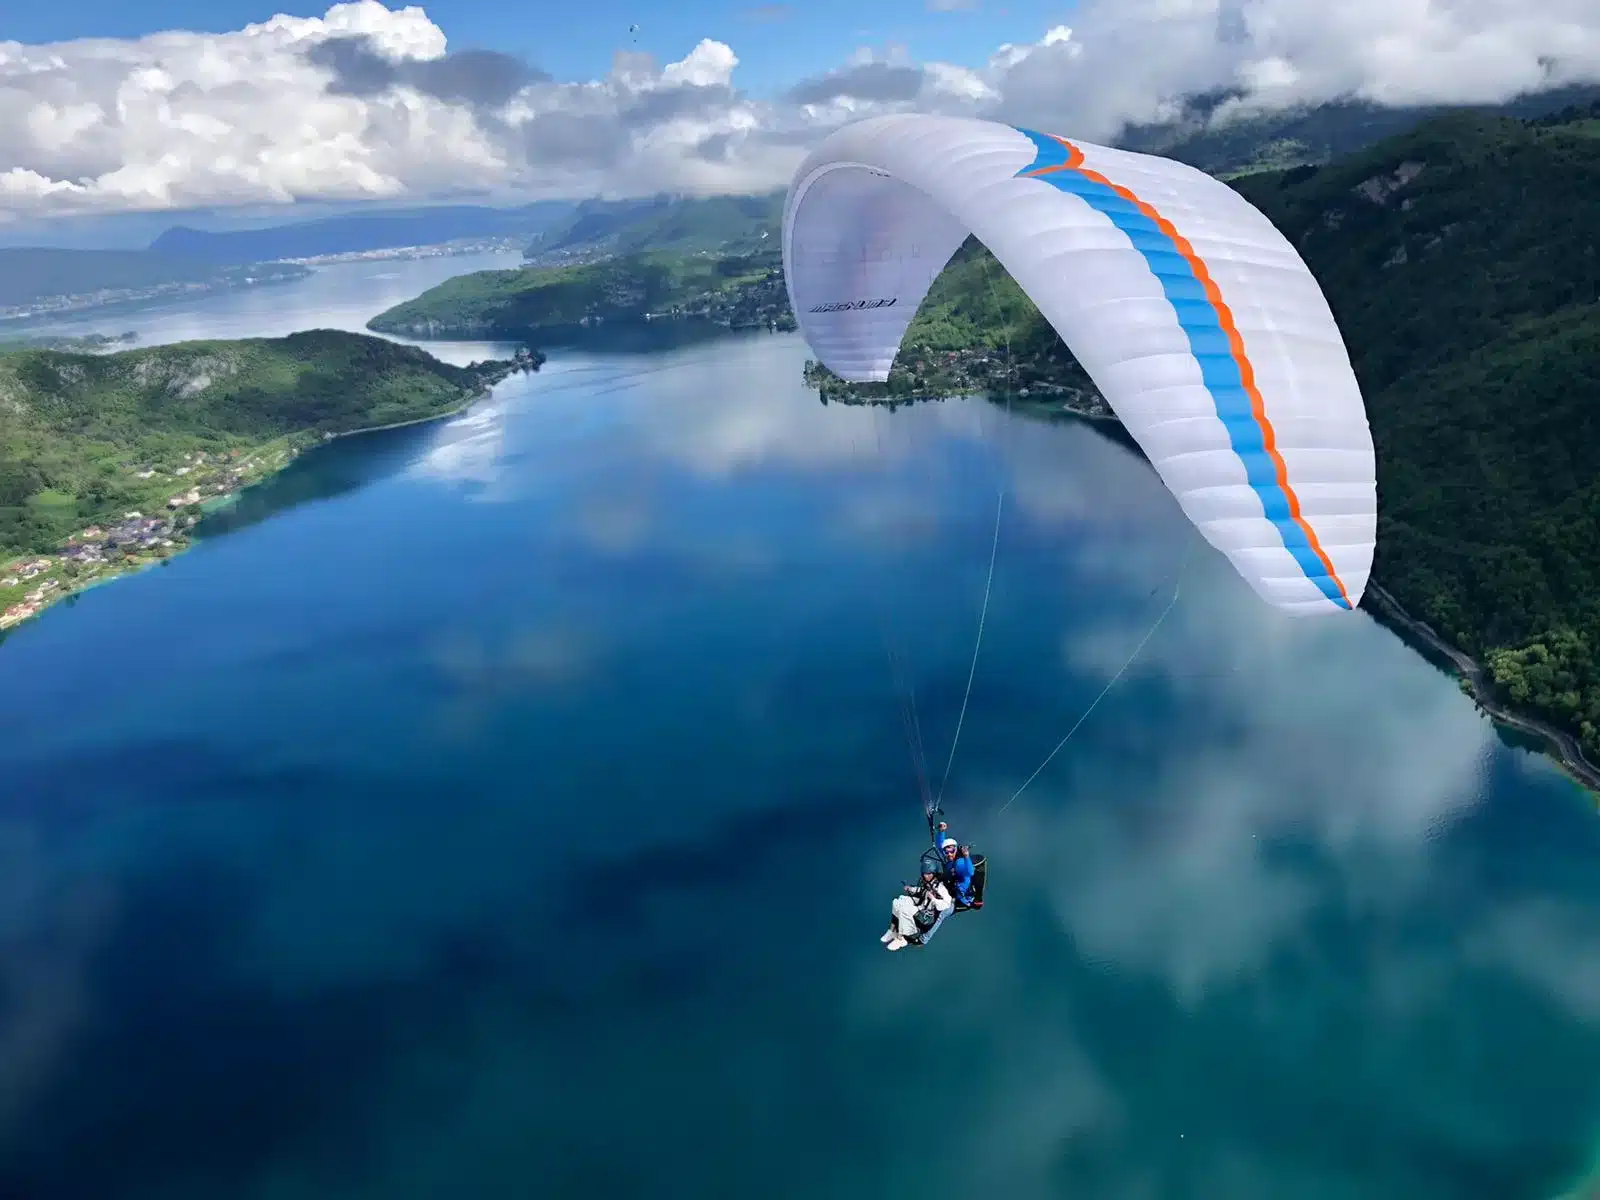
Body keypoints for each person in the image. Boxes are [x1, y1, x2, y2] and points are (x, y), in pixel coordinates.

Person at [881, 869, 952, 951]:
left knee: (905, 910)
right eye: (925, 873)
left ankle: (903, 938)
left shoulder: (940, 888)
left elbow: (946, 904)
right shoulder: (928, 883)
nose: (926, 876)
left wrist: (933, 899)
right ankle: (892, 930)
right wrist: (911, 889)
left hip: (927, 915)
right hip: (922, 906)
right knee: (898, 901)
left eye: (928, 874)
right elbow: (921, 890)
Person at [939, 832, 977, 908]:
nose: (949, 854)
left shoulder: (959, 863)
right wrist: (941, 832)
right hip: (954, 891)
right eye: (946, 852)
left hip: (963, 899)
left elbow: (970, 872)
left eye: (952, 851)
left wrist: (966, 857)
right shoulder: (949, 859)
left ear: (956, 849)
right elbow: (940, 846)